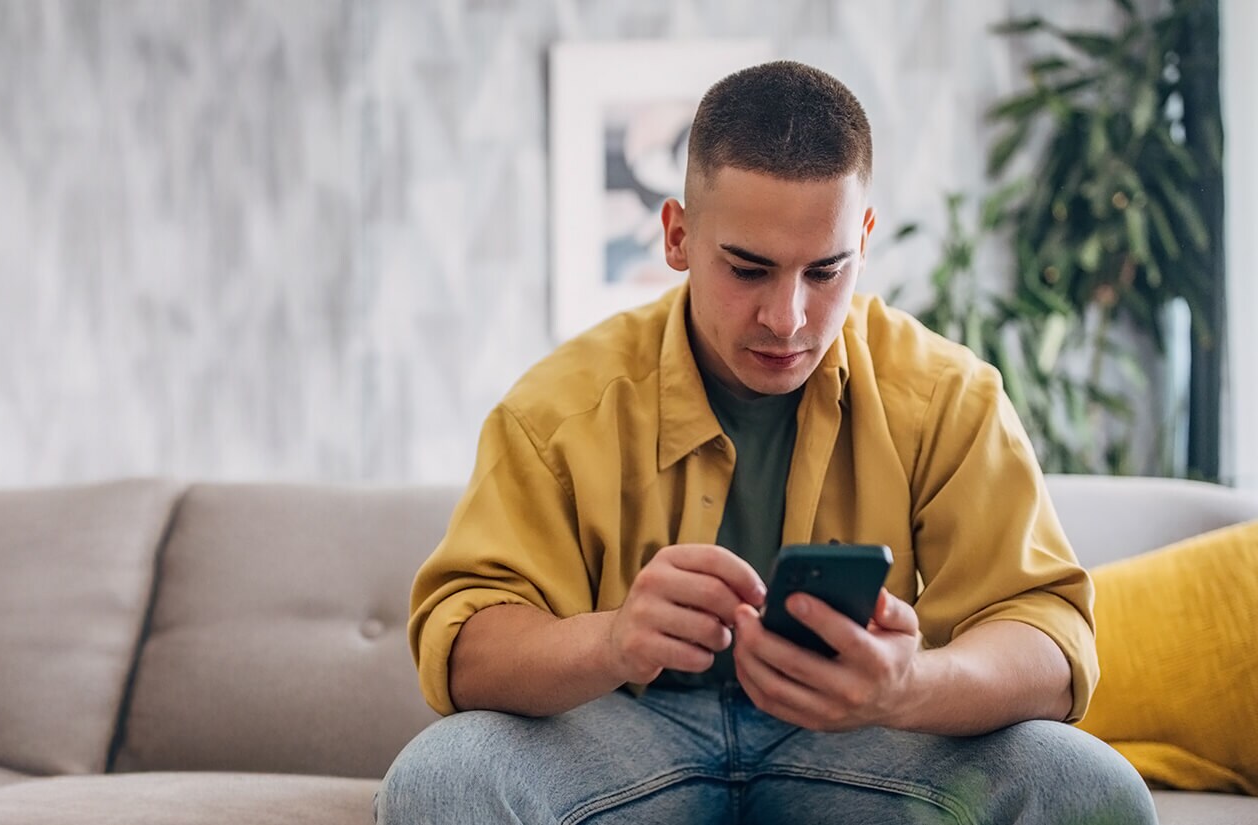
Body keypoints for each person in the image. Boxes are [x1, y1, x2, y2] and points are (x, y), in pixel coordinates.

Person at [377, 61, 1153, 824]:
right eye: (748, 269)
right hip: (620, 733)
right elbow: (465, 646)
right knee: (441, 781)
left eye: (826, 270)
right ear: (678, 236)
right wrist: (611, 640)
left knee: (1089, 786)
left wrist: (907, 685)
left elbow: (1049, 639)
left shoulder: (948, 396)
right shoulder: (557, 409)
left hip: (864, 737)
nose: (787, 317)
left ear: (866, 237)